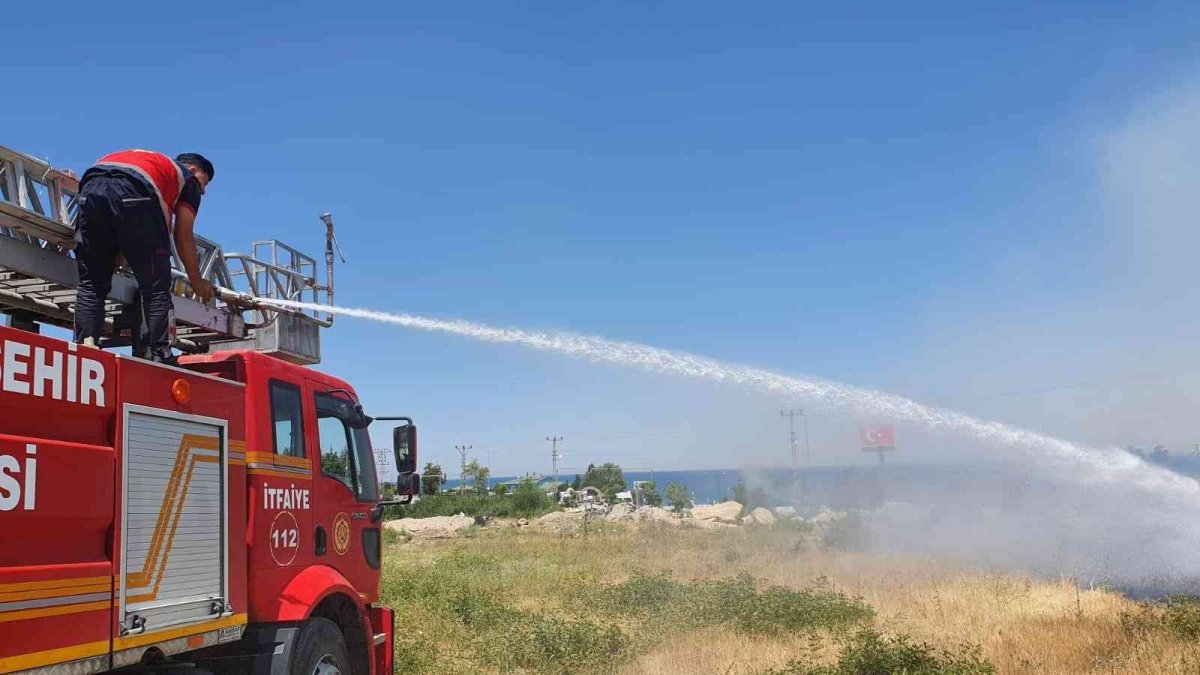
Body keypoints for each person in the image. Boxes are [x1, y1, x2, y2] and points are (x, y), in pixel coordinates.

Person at [73, 149, 216, 364]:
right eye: (204, 184)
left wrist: (115, 251)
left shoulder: (152, 163)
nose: (202, 191)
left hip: (90, 187)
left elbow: (115, 203)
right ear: (194, 170)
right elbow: (183, 235)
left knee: (91, 284)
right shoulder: (188, 179)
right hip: (137, 191)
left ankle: (84, 346)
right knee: (156, 286)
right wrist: (196, 280)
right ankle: (161, 352)